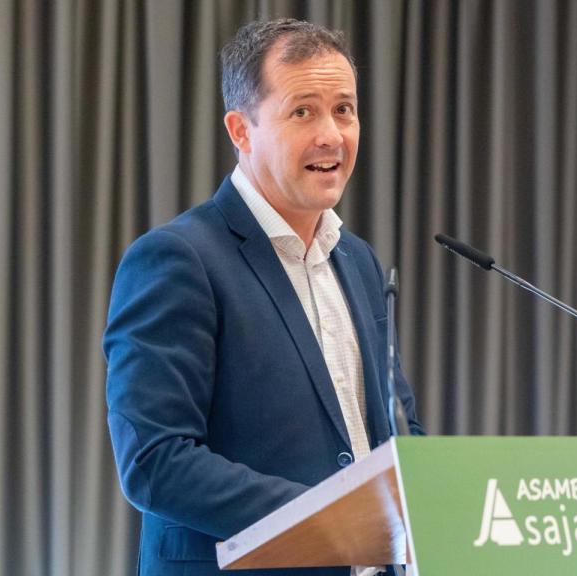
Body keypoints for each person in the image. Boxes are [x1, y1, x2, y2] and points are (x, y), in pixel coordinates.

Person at [103, 18, 424, 576]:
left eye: (344, 109)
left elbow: (394, 429)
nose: (332, 134)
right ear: (241, 130)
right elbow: (155, 462)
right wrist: (337, 527)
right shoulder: (179, 260)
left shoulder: (359, 261)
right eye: (303, 111)